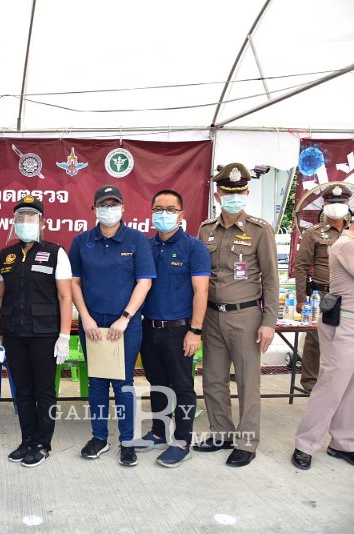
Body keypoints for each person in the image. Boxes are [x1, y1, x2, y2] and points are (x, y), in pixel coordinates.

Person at [194, 163, 278, 467]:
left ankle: (247, 441)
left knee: (247, 381)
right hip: (212, 315)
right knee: (213, 379)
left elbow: (271, 279)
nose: (234, 197)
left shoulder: (259, 229)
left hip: (246, 316)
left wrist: (269, 322)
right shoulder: (206, 229)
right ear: (218, 195)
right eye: (228, 192)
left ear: (246, 193)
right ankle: (221, 433)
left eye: (239, 192)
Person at [69, 185, 155, 467]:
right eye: (103, 205)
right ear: (94, 209)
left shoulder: (136, 240)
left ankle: (127, 441)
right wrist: (85, 317)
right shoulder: (82, 241)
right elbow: (74, 283)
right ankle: (99, 437)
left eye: (114, 204)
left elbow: (144, 282)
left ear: (123, 208)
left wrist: (126, 317)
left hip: (125, 325)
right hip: (92, 324)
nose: (109, 210)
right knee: (96, 382)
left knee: (123, 382)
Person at [0, 196, 72, 467]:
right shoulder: (6, 255)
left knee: (44, 391)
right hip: (14, 332)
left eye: (31, 218)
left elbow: (65, 297)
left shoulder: (56, 253)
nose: (25, 223)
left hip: (44, 334)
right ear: (14, 223)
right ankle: (27, 440)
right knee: (22, 390)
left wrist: (63, 336)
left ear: (42, 223)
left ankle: (42, 444)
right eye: (20, 218)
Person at [137, 190, 210, 467]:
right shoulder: (145, 246)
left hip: (180, 330)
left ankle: (182, 441)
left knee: (182, 386)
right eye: (158, 209)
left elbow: (201, 291)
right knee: (157, 384)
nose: (163, 214)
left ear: (181, 214)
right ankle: (158, 433)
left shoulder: (194, 248)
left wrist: (195, 330)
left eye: (170, 209)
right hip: (149, 328)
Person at [292, 223, 354, 470]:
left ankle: (343, 443)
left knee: (350, 388)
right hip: (344, 324)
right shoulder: (346, 245)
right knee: (331, 387)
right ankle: (305, 444)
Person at [292, 183, 352, 392]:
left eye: (341, 202)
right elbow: (301, 267)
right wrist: (301, 299)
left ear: (347, 205)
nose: (337, 206)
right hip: (323, 294)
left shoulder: (351, 232)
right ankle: (310, 383)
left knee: (345, 340)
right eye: (332, 202)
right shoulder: (314, 233)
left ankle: (342, 383)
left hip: (349, 296)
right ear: (324, 206)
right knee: (315, 339)